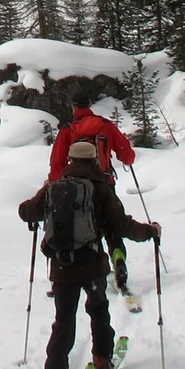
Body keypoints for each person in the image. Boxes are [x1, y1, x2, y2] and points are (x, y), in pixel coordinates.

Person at [18, 140, 160, 369]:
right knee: (98, 310)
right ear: (95, 160)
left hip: (61, 267)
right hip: (92, 263)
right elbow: (121, 225)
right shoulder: (101, 189)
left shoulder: (54, 188)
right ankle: (103, 360)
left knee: (64, 322)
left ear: (70, 160)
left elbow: (26, 212)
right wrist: (150, 231)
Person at [46, 97, 139, 298]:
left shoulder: (67, 130)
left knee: (78, 229)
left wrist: (53, 186)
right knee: (113, 227)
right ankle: (118, 260)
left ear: (73, 106)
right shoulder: (104, 126)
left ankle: (67, 272)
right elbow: (127, 155)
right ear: (90, 105)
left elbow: (57, 163)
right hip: (105, 185)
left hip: (73, 191)